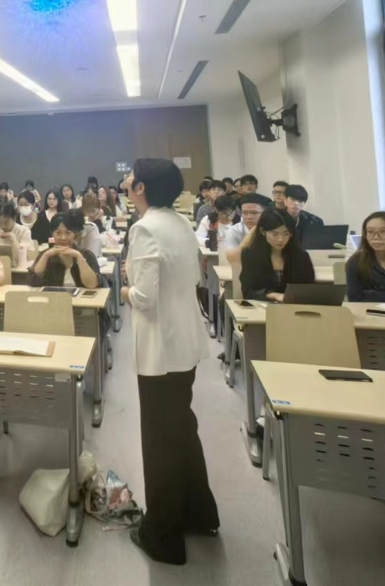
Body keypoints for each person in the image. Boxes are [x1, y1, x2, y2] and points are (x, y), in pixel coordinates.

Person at [120, 159, 218, 566]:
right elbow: (191, 279)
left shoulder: (144, 229)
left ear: (140, 187)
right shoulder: (178, 222)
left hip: (161, 348)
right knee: (181, 428)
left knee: (160, 440)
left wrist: (124, 290)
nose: (126, 180)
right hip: (184, 341)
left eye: (130, 176)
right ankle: (198, 513)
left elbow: (144, 299)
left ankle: (162, 536)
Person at [239, 209, 315, 302]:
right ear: (263, 231)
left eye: (286, 234)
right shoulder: (250, 256)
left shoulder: (301, 257)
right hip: (262, 306)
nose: (280, 239)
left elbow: (309, 290)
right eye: (275, 234)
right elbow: (248, 292)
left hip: (293, 306)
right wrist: (272, 295)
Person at [27, 211, 101, 289]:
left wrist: (79, 257)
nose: (63, 238)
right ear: (52, 233)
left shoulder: (87, 255)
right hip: (54, 296)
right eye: (58, 233)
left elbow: (92, 285)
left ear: (75, 234)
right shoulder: (45, 254)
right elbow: (33, 282)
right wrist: (46, 255)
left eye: (68, 233)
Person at [223, 194, 268, 268]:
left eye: (254, 213)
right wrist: (252, 233)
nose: (249, 217)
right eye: (244, 213)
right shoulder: (234, 231)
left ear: (265, 213)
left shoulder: (272, 230)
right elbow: (232, 259)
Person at [0, 201, 34, 270]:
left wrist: (12, 239)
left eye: (6, 223)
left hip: (18, 270)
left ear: (14, 218)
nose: (2, 226)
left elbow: (21, 261)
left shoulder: (24, 231)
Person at [78, 191, 104, 258]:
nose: (90, 214)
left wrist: (97, 220)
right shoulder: (79, 218)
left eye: (93, 211)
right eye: (87, 211)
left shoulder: (102, 216)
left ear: (99, 208)